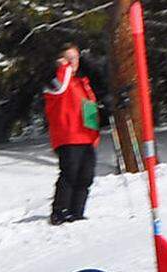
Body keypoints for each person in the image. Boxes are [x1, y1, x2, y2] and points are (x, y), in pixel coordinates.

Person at [43, 43, 100, 226]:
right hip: (68, 135)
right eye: (68, 58)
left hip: (86, 137)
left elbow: (90, 109)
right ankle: (60, 212)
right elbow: (58, 87)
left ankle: (77, 212)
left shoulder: (82, 82)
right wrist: (63, 67)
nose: (72, 62)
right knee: (70, 173)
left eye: (75, 58)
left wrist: (94, 132)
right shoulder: (57, 78)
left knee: (86, 176)